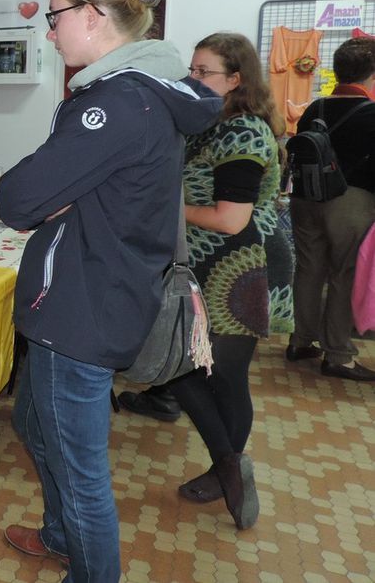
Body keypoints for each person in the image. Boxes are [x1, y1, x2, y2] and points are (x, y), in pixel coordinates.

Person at [0, 0, 221, 582]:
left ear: (92, 16)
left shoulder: (119, 103)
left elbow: (16, 198)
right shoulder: (129, 91)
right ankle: (60, 535)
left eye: (55, 15)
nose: (48, 30)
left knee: (80, 468)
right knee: (37, 426)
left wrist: (57, 193)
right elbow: (51, 193)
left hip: (86, 307)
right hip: (73, 296)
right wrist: (63, 192)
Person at [153, 33, 284, 531]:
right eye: (192, 68)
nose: (193, 78)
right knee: (182, 367)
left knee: (221, 376)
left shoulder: (245, 131)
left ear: (236, 80)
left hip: (239, 269)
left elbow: (230, 219)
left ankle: (222, 465)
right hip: (199, 266)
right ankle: (231, 465)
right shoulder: (208, 123)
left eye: (204, 71)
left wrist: (163, 209)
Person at [287, 36, 375, 381]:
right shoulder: (371, 113)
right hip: (350, 202)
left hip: (304, 198)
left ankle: (300, 340)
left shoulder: (315, 108)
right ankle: (338, 355)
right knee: (344, 275)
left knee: (308, 270)